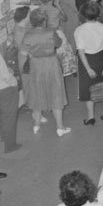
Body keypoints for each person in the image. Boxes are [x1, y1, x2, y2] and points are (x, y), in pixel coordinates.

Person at [19, 9, 71, 137]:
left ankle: (36, 124)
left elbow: (23, 52)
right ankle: (60, 127)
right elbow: (58, 44)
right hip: (51, 64)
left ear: (32, 22)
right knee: (56, 93)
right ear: (44, 21)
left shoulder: (27, 35)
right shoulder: (51, 32)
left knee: (36, 93)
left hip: (35, 65)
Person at [74, 2, 103, 125]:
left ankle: (90, 117)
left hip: (87, 61)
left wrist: (88, 69)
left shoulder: (79, 30)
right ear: (97, 14)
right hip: (102, 59)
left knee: (88, 90)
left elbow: (81, 52)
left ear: (82, 15)